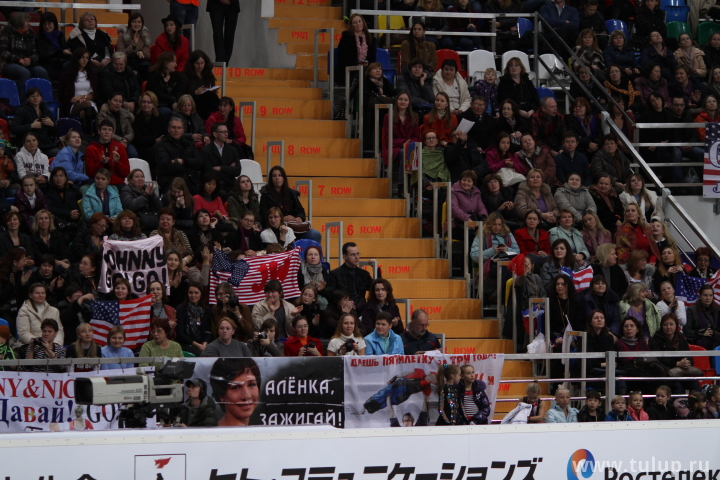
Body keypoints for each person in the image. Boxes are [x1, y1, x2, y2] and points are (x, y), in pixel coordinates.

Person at [259, 166, 321, 243]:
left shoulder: (291, 193)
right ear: (271, 179)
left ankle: (309, 251)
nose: (277, 178)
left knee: (315, 234)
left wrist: (299, 217)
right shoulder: (265, 195)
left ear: (284, 178)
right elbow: (263, 215)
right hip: (277, 228)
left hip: (294, 228)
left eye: (280, 175)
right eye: (274, 176)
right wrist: (282, 218)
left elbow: (300, 210)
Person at [649, 312, 702, 393]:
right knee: (677, 388)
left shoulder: (681, 337)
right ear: (661, 326)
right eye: (665, 324)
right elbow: (659, 359)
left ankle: (696, 400)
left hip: (683, 370)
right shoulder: (655, 339)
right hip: (666, 373)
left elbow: (688, 355)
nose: (668, 327)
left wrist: (686, 362)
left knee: (695, 387)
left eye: (671, 324)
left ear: (676, 325)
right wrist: (677, 363)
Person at [0, 12, 49, 98]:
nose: (29, 24)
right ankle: (22, 100)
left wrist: (30, 59)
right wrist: (19, 60)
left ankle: (45, 100)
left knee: (42, 71)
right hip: (9, 63)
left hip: (27, 63)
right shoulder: (6, 33)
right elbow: (3, 53)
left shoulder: (30, 34)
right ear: (20, 21)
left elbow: (35, 54)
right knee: (24, 73)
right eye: (27, 21)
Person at [209, 357, 260, 426]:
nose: (247, 396)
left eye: (251, 385)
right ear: (221, 395)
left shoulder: (261, 431)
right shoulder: (212, 433)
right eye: (236, 387)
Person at [58, 48, 99, 130]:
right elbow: (62, 94)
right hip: (73, 104)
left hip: (90, 103)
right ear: (77, 58)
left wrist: (82, 97)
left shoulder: (92, 74)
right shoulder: (66, 75)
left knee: (83, 112)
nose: (85, 60)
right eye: (82, 57)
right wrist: (75, 100)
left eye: (87, 58)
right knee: (87, 105)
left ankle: (84, 133)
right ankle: (93, 131)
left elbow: (94, 94)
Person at [11, 88, 58, 158]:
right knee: (41, 156)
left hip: (47, 146)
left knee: (62, 155)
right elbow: (13, 129)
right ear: (28, 99)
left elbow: (55, 133)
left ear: (41, 98)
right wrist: (31, 126)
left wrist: (52, 125)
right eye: (32, 96)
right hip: (30, 147)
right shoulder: (22, 110)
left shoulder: (46, 111)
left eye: (38, 95)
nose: (35, 98)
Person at [200, 122, 240, 200]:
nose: (226, 134)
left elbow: (237, 171)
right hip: (215, 185)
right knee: (224, 195)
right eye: (223, 132)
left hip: (230, 184)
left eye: (227, 132)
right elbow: (209, 172)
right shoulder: (206, 150)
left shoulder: (232, 150)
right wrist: (229, 169)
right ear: (215, 134)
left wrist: (221, 168)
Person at [335, 13, 376, 86]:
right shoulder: (346, 37)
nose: (358, 24)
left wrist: (367, 63)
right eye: (355, 22)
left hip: (366, 68)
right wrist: (357, 63)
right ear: (351, 26)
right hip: (349, 68)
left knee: (377, 75)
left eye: (359, 21)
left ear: (363, 23)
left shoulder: (371, 38)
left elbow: (372, 58)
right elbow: (342, 57)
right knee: (362, 76)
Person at [84, 121, 130, 186]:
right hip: (98, 183)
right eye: (104, 129)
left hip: (116, 183)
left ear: (113, 133)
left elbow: (126, 173)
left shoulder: (120, 147)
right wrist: (101, 163)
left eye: (110, 130)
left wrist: (117, 163)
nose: (107, 132)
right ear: (99, 131)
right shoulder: (90, 149)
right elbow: (90, 174)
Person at [147, 52, 188, 123]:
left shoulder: (177, 76)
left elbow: (180, 92)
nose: (176, 64)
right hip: (159, 104)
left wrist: (178, 102)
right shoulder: (154, 76)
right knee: (166, 112)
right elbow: (157, 93)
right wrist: (172, 101)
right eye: (174, 61)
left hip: (175, 104)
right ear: (166, 63)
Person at [96, 92, 137, 158]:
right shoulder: (102, 115)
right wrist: (120, 140)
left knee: (133, 154)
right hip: (108, 141)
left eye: (120, 102)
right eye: (115, 101)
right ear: (109, 101)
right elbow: (103, 131)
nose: (117, 103)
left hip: (124, 141)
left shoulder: (125, 114)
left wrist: (125, 139)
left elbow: (130, 132)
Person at [183, 50, 219, 119]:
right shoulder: (185, 76)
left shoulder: (208, 75)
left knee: (214, 97)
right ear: (192, 64)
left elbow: (211, 87)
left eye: (202, 63)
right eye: (197, 63)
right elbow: (181, 95)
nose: (200, 66)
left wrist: (213, 90)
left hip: (208, 101)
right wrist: (195, 93)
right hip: (193, 102)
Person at [116, 13, 152, 79]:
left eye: (139, 22)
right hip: (127, 60)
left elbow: (148, 52)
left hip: (141, 61)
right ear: (130, 23)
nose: (136, 24)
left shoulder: (144, 35)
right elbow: (120, 54)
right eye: (134, 22)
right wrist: (133, 45)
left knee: (148, 67)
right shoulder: (123, 34)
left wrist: (142, 52)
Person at [685, 284, 720, 350]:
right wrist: (701, 334)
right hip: (698, 340)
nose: (708, 298)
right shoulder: (691, 310)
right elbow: (687, 331)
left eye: (710, 295)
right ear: (700, 296)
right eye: (705, 295)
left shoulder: (716, 309)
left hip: (714, 339)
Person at [133, 92, 164, 162]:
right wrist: (154, 140)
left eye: (149, 102)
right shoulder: (136, 118)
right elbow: (138, 139)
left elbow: (163, 134)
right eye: (144, 102)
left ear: (154, 104)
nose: (146, 104)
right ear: (140, 104)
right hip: (142, 148)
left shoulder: (159, 117)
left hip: (157, 146)